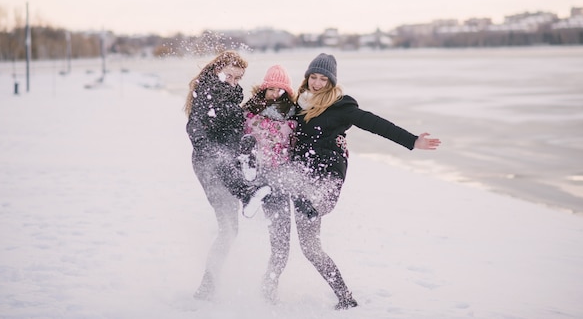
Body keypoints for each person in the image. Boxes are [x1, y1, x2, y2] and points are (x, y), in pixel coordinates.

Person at [290, 53, 442, 310]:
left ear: (331, 81)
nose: (316, 83)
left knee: (314, 205)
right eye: (313, 77)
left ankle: (311, 204)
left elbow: (375, 124)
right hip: (301, 178)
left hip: (328, 177)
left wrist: (412, 140)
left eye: (322, 79)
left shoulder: (341, 107)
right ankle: (345, 297)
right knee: (310, 249)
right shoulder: (298, 105)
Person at [184, 50, 270, 300]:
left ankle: (207, 286)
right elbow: (194, 126)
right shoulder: (207, 91)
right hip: (208, 162)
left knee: (230, 229)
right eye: (229, 75)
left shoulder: (231, 95)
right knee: (229, 227)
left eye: (238, 78)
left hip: (228, 160)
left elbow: (233, 124)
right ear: (217, 70)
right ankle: (247, 194)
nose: (233, 82)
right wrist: (208, 148)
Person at [240, 64, 299, 303]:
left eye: (280, 89)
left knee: (281, 241)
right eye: (270, 88)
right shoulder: (249, 111)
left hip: (282, 179)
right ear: (263, 88)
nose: (275, 94)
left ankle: (270, 282)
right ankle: (250, 189)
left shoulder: (294, 114)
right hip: (257, 176)